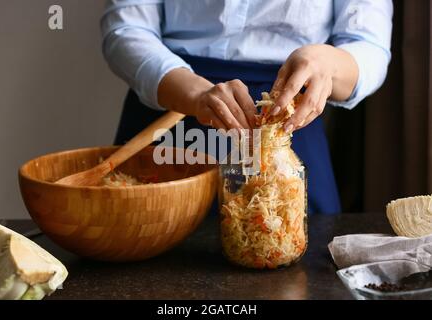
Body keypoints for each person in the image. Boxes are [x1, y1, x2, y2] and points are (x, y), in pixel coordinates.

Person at [101, 0, 393, 214]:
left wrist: (326, 64)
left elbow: (368, 45)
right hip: (171, 111)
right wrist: (196, 93)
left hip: (286, 134)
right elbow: (126, 28)